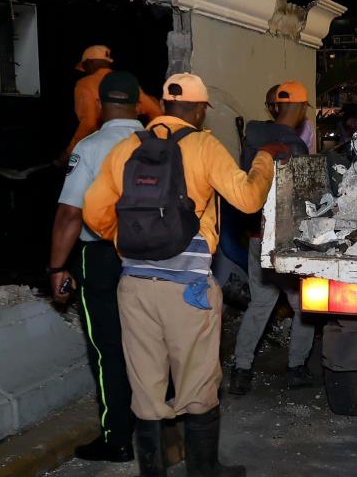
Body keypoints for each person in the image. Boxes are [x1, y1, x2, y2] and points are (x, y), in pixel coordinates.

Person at [84, 73, 281, 477]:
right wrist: (264, 162)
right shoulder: (203, 145)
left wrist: (127, 244)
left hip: (135, 286)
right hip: (187, 289)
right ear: (198, 109)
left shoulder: (126, 148)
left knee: (145, 384)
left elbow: (94, 213)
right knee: (198, 384)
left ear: (162, 103)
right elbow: (247, 197)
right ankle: (203, 471)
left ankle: (153, 471)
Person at [48, 71, 145, 463]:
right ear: (139, 105)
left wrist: (57, 267)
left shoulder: (90, 147)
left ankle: (117, 437)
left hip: (103, 257)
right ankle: (153, 425)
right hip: (157, 256)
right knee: (150, 341)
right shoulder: (159, 141)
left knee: (109, 348)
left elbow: (70, 214)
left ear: (102, 106)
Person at [230, 81, 315, 395]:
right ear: (300, 108)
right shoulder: (296, 146)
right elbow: (305, 202)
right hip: (284, 242)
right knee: (304, 306)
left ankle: (241, 370)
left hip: (256, 237)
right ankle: (296, 368)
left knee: (260, 305)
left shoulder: (252, 138)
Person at [66, 45, 163, 155]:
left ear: (90, 62)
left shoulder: (84, 84)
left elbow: (88, 123)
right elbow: (156, 111)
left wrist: (70, 152)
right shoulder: (126, 81)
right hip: (134, 145)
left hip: (101, 148)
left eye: (84, 66)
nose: (85, 70)